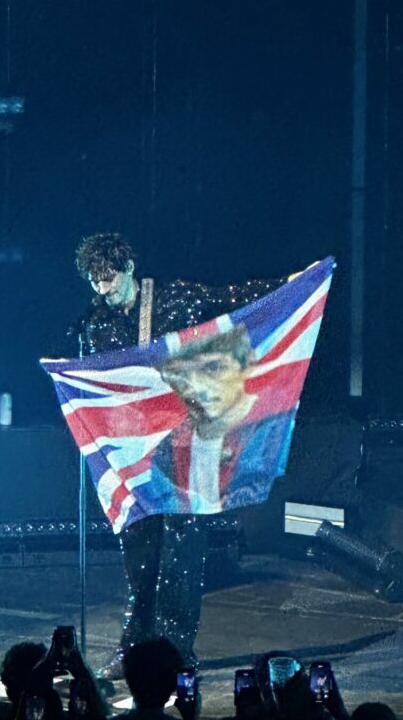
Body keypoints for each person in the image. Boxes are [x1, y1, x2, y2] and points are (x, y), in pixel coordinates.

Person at [67, 232, 290, 680]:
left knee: (181, 551)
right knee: (140, 549)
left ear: (129, 267)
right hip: (135, 450)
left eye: (108, 278)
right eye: (94, 281)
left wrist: (291, 283)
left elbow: (236, 299)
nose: (103, 289)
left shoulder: (176, 300)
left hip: (189, 444)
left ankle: (174, 651)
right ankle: (134, 646)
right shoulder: (95, 326)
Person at [147, 323, 294, 515]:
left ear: (247, 362)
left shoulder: (279, 431)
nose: (197, 386)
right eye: (180, 374)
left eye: (213, 367)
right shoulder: (166, 447)